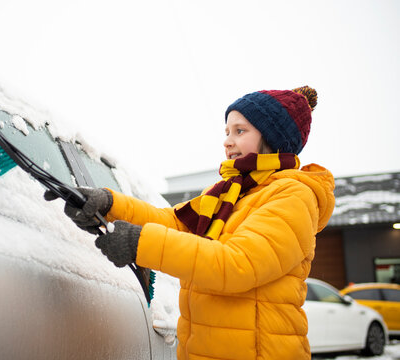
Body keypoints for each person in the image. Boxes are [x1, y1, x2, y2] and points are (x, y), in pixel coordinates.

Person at [45, 86, 335, 360]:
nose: (228, 141)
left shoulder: (292, 196)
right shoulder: (230, 193)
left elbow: (239, 264)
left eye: (240, 131)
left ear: (271, 139)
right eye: (227, 132)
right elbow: (173, 222)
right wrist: (110, 205)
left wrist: (139, 242)